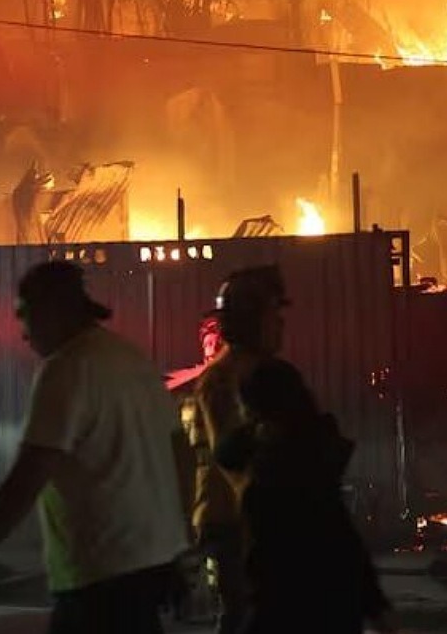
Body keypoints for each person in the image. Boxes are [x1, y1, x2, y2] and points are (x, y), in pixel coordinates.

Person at [0, 260, 188, 634]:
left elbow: (28, 477)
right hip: (152, 561)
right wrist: (180, 538)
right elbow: (180, 454)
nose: (24, 333)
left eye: (25, 316)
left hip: (99, 571)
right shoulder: (133, 361)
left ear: (53, 311)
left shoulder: (66, 369)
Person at [215, 358, 392, 634]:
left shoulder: (284, 471)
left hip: (296, 607)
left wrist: (376, 608)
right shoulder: (307, 454)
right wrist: (375, 608)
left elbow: (342, 542)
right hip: (329, 607)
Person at [188, 266, 289, 634]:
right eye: (272, 315)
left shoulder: (269, 375)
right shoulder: (221, 380)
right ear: (249, 322)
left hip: (252, 518)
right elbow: (234, 460)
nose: (280, 324)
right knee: (243, 614)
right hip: (232, 520)